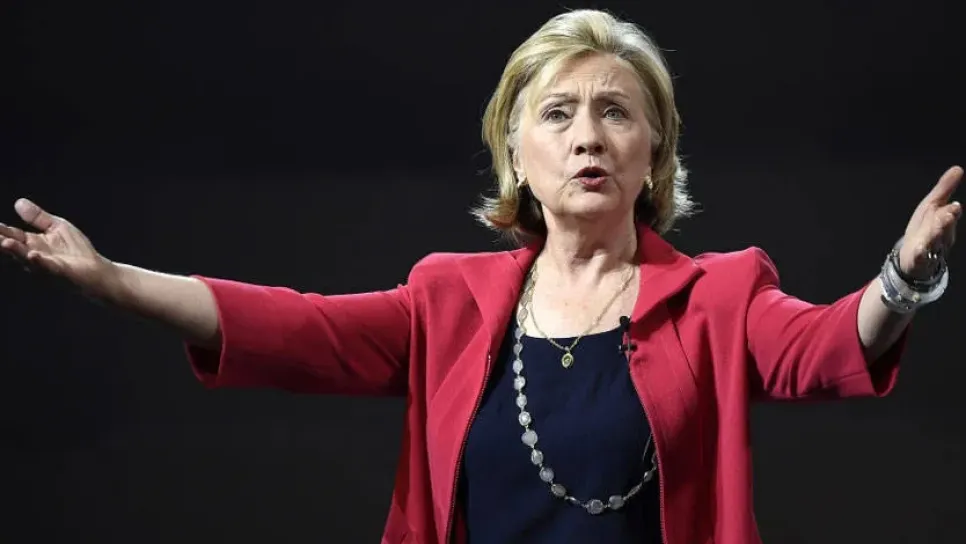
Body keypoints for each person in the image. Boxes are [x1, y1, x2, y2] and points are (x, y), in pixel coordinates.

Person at [1, 8, 961, 544]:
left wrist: (902, 276)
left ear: (654, 151)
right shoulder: (447, 299)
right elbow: (291, 327)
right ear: (517, 155)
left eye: (616, 111)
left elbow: (825, 346)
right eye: (558, 113)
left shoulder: (722, 293)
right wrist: (111, 279)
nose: (587, 135)